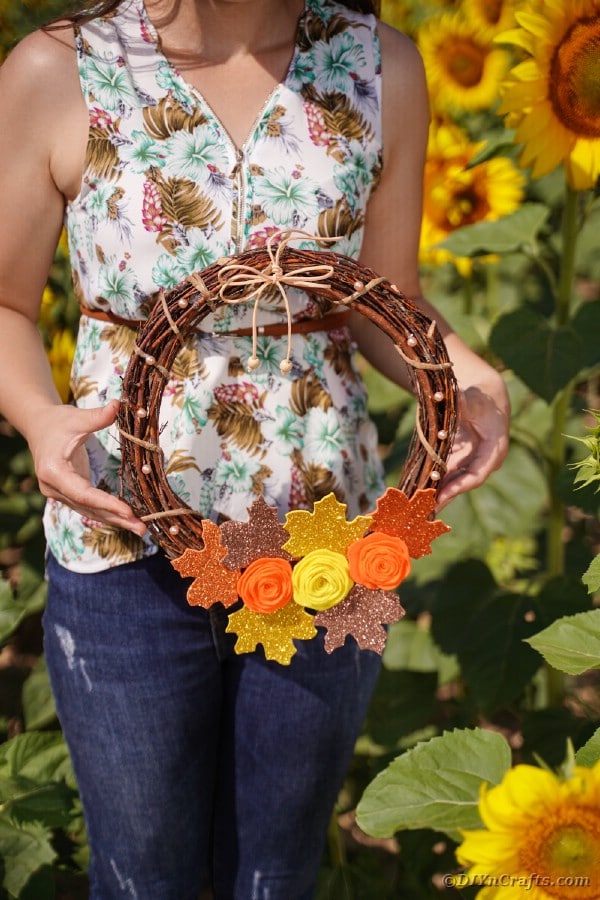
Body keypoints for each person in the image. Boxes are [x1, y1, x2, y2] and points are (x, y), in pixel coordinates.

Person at [0, 0, 510, 897]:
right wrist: (41, 419)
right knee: (140, 874)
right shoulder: (60, 69)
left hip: (323, 544)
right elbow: (3, 303)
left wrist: (462, 372)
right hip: (124, 537)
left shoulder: (377, 64)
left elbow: (382, 300)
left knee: (277, 871)